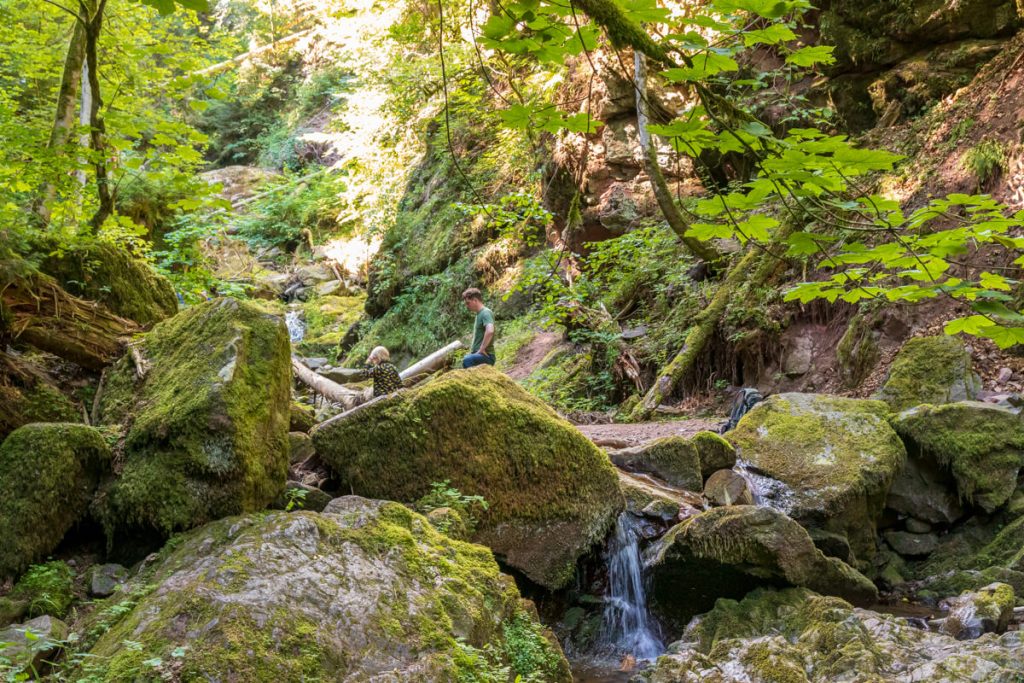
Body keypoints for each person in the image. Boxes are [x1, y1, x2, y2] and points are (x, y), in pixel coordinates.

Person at [461, 287, 496, 369]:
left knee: (467, 360)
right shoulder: (479, 314)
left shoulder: (485, 312)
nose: (467, 306)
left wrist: (481, 349)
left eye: (468, 303)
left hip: (487, 356)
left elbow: (490, 330)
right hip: (479, 354)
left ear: (475, 300)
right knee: (466, 359)